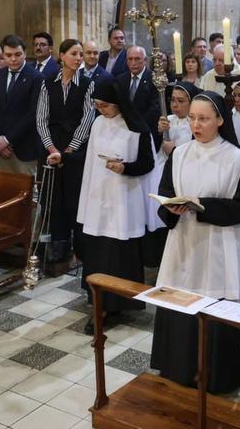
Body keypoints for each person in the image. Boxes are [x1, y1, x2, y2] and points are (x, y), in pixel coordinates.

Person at [150, 90, 240, 394]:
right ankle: (176, 369)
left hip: (216, 249)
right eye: (193, 118)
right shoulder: (180, 154)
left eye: (204, 119)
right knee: (179, 305)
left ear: (221, 120)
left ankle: (217, 377)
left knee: (213, 312)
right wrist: (169, 208)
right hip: (183, 243)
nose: (196, 124)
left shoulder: (237, 160)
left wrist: (203, 204)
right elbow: (165, 193)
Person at [77, 78, 154, 334]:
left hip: (124, 202)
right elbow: (89, 163)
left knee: (119, 254)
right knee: (99, 252)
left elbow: (148, 164)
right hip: (99, 201)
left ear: (118, 103)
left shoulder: (136, 129)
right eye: (97, 105)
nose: (101, 110)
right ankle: (98, 303)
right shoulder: (98, 123)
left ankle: (118, 303)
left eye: (105, 106)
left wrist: (124, 168)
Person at [36, 39, 96, 263]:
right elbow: (41, 119)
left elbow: (87, 119)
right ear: (61, 56)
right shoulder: (47, 82)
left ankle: (76, 244)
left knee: (73, 198)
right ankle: (57, 243)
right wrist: (52, 148)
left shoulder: (87, 83)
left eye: (81, 54)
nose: (79, 58)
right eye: (74, 54)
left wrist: (70, 149)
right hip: (51, 146)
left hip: (75, 149)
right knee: (52, 198)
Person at [142, 81, 199, 269]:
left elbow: (196, 153)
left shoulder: (196, 122)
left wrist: (173, 149)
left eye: (181, 101)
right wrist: (159, 133)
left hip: (185, 178)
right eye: (172, 100)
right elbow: (153, 149)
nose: (175, 104)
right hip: (162, 173)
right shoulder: (168, 120)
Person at [0, 34, 46, 176]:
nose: (13, 59)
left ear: (24, 53)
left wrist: (8, 140)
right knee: (6, 193)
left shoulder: (37, 78)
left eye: (17, 54)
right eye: (8, 55)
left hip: (25, 150)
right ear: (3, 55)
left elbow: (33, 114)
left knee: (28, 195)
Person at [116, 46, 161, 137]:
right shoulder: (120, 79)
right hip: (123, 130)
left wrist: (137, 125)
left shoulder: (154, 79)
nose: (133, 63)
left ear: (145, 60)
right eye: (130, 59)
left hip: (146, 130)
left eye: (137, 59)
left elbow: (155, 108)